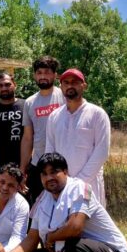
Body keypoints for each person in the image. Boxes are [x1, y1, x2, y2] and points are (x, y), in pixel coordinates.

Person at [45, 68, 111, 207]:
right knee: (63, 223)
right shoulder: (54, 116)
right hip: (61, 184)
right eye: (66, 83)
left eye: (75, 82)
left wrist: (78, 183)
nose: (70, 86)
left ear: (84, 86)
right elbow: (49, 152)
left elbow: (102, 152)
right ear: (61, 87)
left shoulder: (97, 114)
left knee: (89, 223)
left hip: (88, 183)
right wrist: (56, 179)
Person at [19, 56, 65, 205]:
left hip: (62, 163)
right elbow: (27, 138)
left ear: (54, 75)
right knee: (38, 207)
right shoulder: (30, 102)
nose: (43, 76)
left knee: (63, 206)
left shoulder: (64, 97)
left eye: (47, 72)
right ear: (34, 75)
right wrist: (22, 169)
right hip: (38, 164)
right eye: (39, 73)